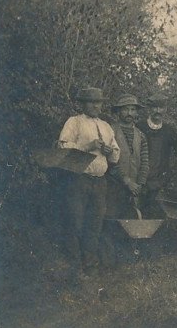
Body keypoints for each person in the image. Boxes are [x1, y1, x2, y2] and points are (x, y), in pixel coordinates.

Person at [57, 87, 120, 269]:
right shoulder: (74, 122)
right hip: (79, 180)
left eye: (98, 102)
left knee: (95, 223)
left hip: (100, 181)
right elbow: (63, 147)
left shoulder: (106, 126)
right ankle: (74, 265)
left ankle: (90, 265)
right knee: (75, 221)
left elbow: (116, 155)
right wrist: (88, 145)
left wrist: (109, 151)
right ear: (83, 104)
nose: (95, 106)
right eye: (91, 102)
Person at [106, 94, 149, 218]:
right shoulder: (110, 131)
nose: (129, 113)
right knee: (113, 222)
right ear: (118, 111)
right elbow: (110, 162)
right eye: (125, 109)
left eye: (133, 109)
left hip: (134, 189)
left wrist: (139, 184)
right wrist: (126, 181)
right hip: (114, 186)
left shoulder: (141, 135)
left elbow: (145, 162)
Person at [137, 93, 177, 217]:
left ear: (165, 109)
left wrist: (170, 173)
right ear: (149, 109)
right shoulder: (139, 127)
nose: (158, 111)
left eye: (161, 108)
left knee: (156, 214)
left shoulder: (169, 130)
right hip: (139, 179)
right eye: (154, 108)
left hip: (159, 181)